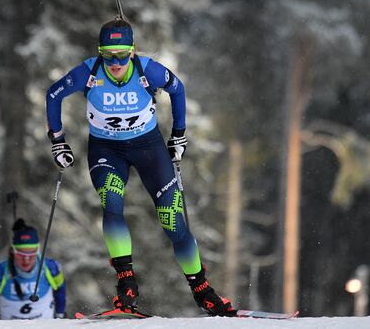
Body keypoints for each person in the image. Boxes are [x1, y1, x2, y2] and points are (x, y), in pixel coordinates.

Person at [45, 18, 235, 316]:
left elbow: (178, 89)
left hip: (149, 149)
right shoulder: (89, 71)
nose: (116, 62)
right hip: (106, 149)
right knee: (112, 203)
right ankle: (126, 283)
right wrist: (58, 141)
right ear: (100, 53)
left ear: (132, 52)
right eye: (109, 55)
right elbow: (54, 94)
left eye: (122, 54)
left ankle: (203, 291)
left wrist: (179, 135)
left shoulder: (148, 71)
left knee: (172, 220)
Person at [0, 218, 66, 319]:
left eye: (31, 253)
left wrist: (60, 315)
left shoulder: (51, 268)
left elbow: (60, 290)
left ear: (38, 251)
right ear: (13, 251)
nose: (26, 260)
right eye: (21, 254)